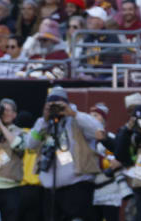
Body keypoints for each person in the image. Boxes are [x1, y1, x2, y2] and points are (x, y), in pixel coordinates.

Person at [25, 86, 103, 221]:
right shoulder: (44, 123)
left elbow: (98, 131)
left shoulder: (77, 119)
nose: (56, 109)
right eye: (51, 105)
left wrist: (73, 113)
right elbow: (30, 144)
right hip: (51, 190)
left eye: (59, 105)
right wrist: (44, 120)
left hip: (77, 187)